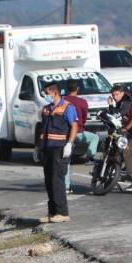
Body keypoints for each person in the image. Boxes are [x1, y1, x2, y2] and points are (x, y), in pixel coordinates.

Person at [35, 82, 78, 223]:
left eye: (47, 93)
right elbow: (42, 128)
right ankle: (52, 212)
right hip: (47, 148)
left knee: (57, 180)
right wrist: (38, 147)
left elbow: (74, 126)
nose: (45, 96)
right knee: (49, 180)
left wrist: (69, 144)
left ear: (55, 93)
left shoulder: (67, 107)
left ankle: (62, 213)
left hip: (60, 148)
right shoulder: (46, 109)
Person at [64, 79, 100, 194]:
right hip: (78, 132)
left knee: (66, 161)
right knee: (95, 137)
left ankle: (66, 187)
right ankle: (90, 156)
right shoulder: (82, 102)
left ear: (66, 89)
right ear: (78, 89)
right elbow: (84, 118)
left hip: (65, 135)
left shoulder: (62, 101)